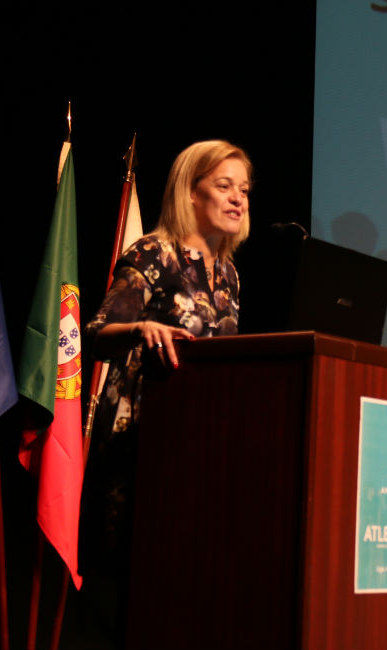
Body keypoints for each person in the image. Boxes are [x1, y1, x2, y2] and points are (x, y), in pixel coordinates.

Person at [78, 139, 251, 591]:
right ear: (191, 193)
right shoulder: (153, 254)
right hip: (139, 449)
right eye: (225, 186)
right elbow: (94, 334)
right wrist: (140, 330)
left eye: (244, 190)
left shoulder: (229, 275)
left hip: (200, 450)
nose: (238, 198)